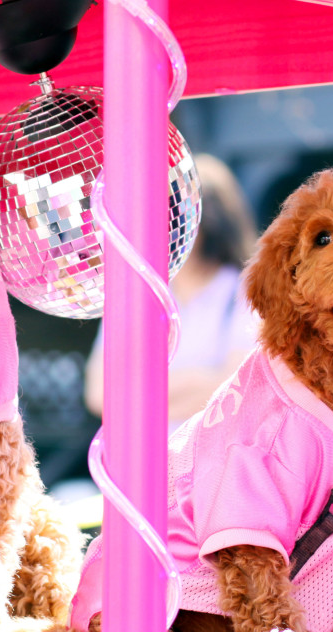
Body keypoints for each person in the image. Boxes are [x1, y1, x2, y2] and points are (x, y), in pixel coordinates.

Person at [84, 153, 260, 433]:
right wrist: (200, 381)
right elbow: (99, 395)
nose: (160, 224)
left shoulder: (246, 294)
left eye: (172, 211)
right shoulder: (134, 297)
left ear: (207, 218)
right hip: (139, 468)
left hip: (215, 464)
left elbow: (240, 390)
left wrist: (138, 394)